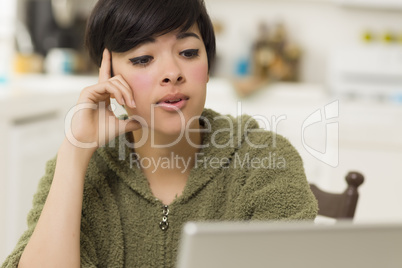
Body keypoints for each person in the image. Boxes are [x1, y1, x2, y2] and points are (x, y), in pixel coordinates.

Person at [2, 0, 317, 267]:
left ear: (208, 66)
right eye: (143, 59)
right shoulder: (84, 170)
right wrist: (75, 153)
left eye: (189, 52)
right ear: (108, 76)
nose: (172, 73)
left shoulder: (265, 161)